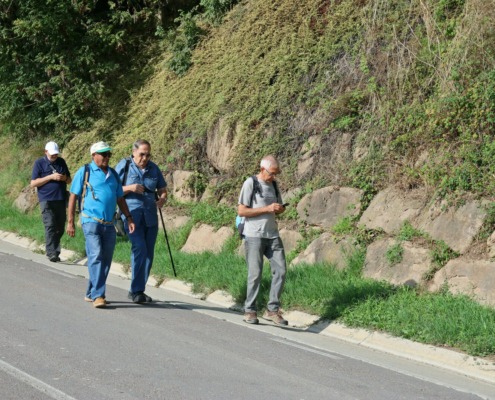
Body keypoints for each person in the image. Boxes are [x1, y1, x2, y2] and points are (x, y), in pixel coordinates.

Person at [66, 141, 135, 308]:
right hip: (90, 222)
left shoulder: (113, 174)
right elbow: (73, 196)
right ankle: (99, 295)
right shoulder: (85, 171)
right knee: (96, 256)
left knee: (106, 260)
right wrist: (70, 222)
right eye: (103, 154)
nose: (107, 157)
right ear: (93, 155)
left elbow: (120, 198)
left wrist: (129, 217)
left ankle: (91, 292)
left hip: (109, 223)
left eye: (108, 154)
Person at [115, 139, 168, 304]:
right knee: (139, 248)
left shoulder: (154, 168)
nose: (145, 158)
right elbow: (112, 189)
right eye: (142, 154)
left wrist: (162, 199)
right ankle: (137, 290)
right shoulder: (124, 166)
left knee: (148, 254)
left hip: (150, 216)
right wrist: (130, 188)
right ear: (134, 152)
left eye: (148, 155)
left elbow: (162, 189)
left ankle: (138, 290)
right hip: (131, 216)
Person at [238, 155, 288, 326]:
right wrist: (267, 208)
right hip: (254, 235)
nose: (274, 176)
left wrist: (279, 209)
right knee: (255, 274)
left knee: (281, 271)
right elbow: (242, 211)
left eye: (276, 173)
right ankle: (250, 310)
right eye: (271, 173)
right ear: (262, 169)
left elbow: (277, 208)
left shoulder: (274, 185)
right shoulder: (250, 183)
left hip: (272, 234)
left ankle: (272, 310)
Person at [31, 141, 72, 262]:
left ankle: (55, 250)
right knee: (50, 225)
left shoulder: (61, 162)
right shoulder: (39, 163)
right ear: (46, 152)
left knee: (60, 227)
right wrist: (50, 177)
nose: (54, 156)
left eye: (56, 154)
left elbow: (69, 180)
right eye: (52, 154)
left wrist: (63, 178)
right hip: (46, 199)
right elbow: (33, 183)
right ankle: (51, 253)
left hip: (60, 199)